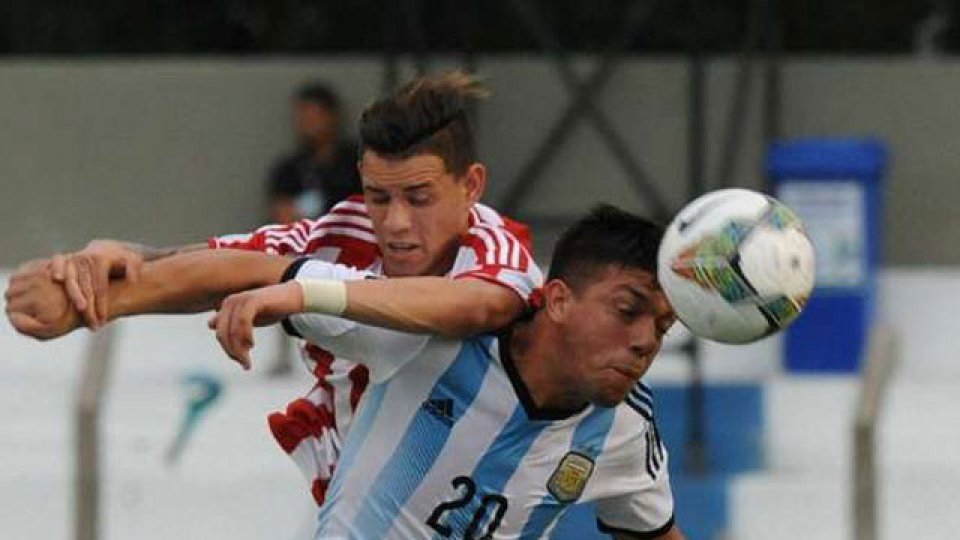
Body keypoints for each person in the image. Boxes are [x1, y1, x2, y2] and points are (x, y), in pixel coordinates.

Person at [4, 71, 540, 506]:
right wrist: (115, 270)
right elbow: (225, 263)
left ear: (471, 185)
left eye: (419, 197)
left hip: (491, 503)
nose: (396, 222)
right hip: (364, 501)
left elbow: (479, 305)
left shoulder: (495, 250)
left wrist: (302, 292)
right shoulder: (340, 233)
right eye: (379, 197)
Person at [209, 205, 684, 539]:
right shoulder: (436, 336)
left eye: (663, 326)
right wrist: (281, 295)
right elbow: (263, 273)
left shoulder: (626, 428)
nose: (646, 341)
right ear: (558, 299)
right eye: (627, 310)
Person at [268, 82, 361, 224]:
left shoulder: (357, 161)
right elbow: (283, 216)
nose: (308, 124)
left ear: (332, 116)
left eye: (315, 116)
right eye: (303, 117)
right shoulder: (289, 170)